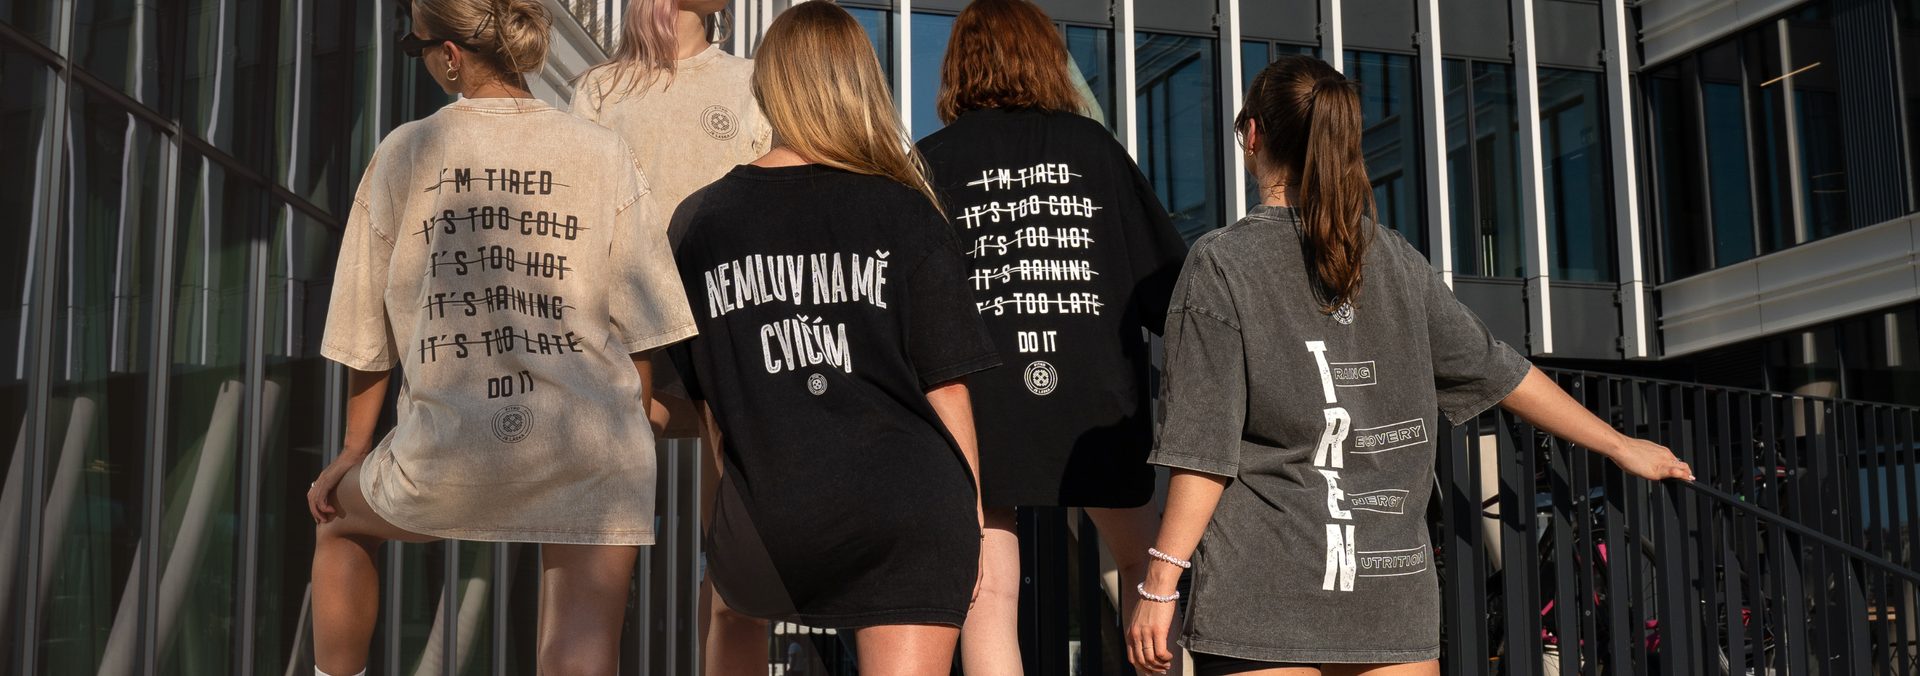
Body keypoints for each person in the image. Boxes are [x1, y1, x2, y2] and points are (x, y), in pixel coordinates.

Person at [1124, 55, 1694, 676]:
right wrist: (1620, 445)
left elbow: (1203, 447)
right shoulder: (1393, 258)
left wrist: (1160, 584)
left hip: (1264, 597)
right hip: (1391, 595)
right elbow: (1500, 370)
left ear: (1253, 134)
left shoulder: (1222, 262)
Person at [306, 1, 696, 674]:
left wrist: (352, 449)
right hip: (590, 445)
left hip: (450, 449)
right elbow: (645, 321)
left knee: (337, 521)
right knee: (579, 645)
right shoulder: (601, 150)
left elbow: (363, 325)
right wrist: (634, 416)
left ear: (451, 56)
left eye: (417, 48)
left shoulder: (406, 151)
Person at [666, 3, 999, 675]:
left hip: (771, 512)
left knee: (731, 615)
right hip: (908, 509)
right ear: (860, 84)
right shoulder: (905, 209)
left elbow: (698, 403)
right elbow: (948, 390)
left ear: (769, 86)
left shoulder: (702, 222)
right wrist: (973, 524)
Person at [913, 1, 1189, 673]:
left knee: (990, 595)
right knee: (1143, 571)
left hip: (984, 408)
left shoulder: (930, 162)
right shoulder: (1094, 149)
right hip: (1096, 400)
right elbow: (1171, 292)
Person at [565, 0, 772, 654]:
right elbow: (577, 220)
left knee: (741, 562)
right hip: (627, 337)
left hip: (730, 328)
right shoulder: (599, 89)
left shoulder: (750, 81)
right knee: (598, 552)